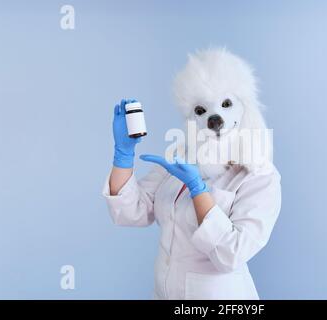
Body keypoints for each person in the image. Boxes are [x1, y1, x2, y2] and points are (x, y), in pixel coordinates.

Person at [102, 49, 281, 299]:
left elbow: (232, 254)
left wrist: (198, 190)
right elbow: (133, 213)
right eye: (200, 110)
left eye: (226, 104)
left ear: (244, 108)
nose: (214, 118)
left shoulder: (260, 176)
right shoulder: (181, 157)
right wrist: (123, 155)